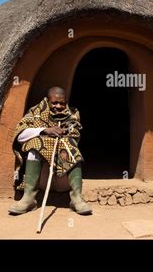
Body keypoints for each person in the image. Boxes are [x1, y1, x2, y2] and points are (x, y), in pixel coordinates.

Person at [8, 86, 92, 215]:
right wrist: (44, 130)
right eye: (54, 102)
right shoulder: (35, 112)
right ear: (47, 101)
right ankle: (29, 199)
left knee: (71, 147)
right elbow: (20, 135)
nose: (58, 106)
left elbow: (75, 134)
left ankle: (76, 199)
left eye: (62, 103)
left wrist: (63, 133)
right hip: (43, 178)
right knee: (35, 144)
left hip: (63, 180)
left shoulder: (73, 114)